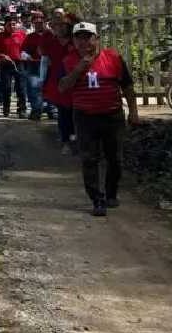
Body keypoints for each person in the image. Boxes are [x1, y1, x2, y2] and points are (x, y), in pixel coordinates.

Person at [59, 22, 141, 216]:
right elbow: (62, 87)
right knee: (89, 158)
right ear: (73, 41)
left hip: (112, 115)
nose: (83, 42)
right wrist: (78, 69)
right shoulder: (68, 61)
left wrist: (134, 112)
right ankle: (97, 199)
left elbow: (128, 87)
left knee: (115, 158)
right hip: (84, 117)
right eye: (79, 38)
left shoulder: (113, 58)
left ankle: (111, 193)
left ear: (96, 39)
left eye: (88, 37)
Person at [41, 16, 76, 153]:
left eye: (63, 25)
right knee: (63, 111)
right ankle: (65, 141)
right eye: (57, 25)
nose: (60, 28)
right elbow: (44, 60)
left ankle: (75, 137)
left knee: (75, 111)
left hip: (74, 81)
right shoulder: (51, 42)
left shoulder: (75, 42)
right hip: (57, 82)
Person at [0, 17, 27, 118]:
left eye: (14, 24)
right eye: (9, 25)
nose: (12, 26)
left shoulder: (21, 35)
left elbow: (26, 48)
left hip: (19, 64)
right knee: (6, 88)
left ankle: (21, 109)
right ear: (5, 26)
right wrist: (1, 55)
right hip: (5, 64)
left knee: (21, 87)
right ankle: (6, 109)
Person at [20, 13, 48, 121]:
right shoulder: (30, 37)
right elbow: (23, 51)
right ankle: (36, 110)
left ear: (44, 23)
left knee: (48, 88)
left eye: (40, 22)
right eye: (36, 23)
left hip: (48, 66)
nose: (38, 25)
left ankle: (51, 110)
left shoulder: (50, 35)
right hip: (34, 66)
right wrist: (27, 57)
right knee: (33, 89)